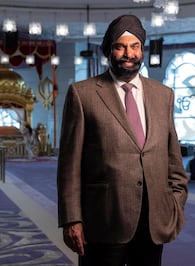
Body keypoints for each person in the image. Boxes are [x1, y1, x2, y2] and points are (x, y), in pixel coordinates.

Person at [57, 14, 188, 266]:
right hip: (103, 221)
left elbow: (173, 160)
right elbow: (69, 165)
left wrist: (176, 203)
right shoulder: (83, 94)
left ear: (142, 50)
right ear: (109, 50)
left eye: (135, 46)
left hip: (153, 223)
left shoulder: (163, 95)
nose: (129, 53)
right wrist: (72, 218)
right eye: (120, 46)